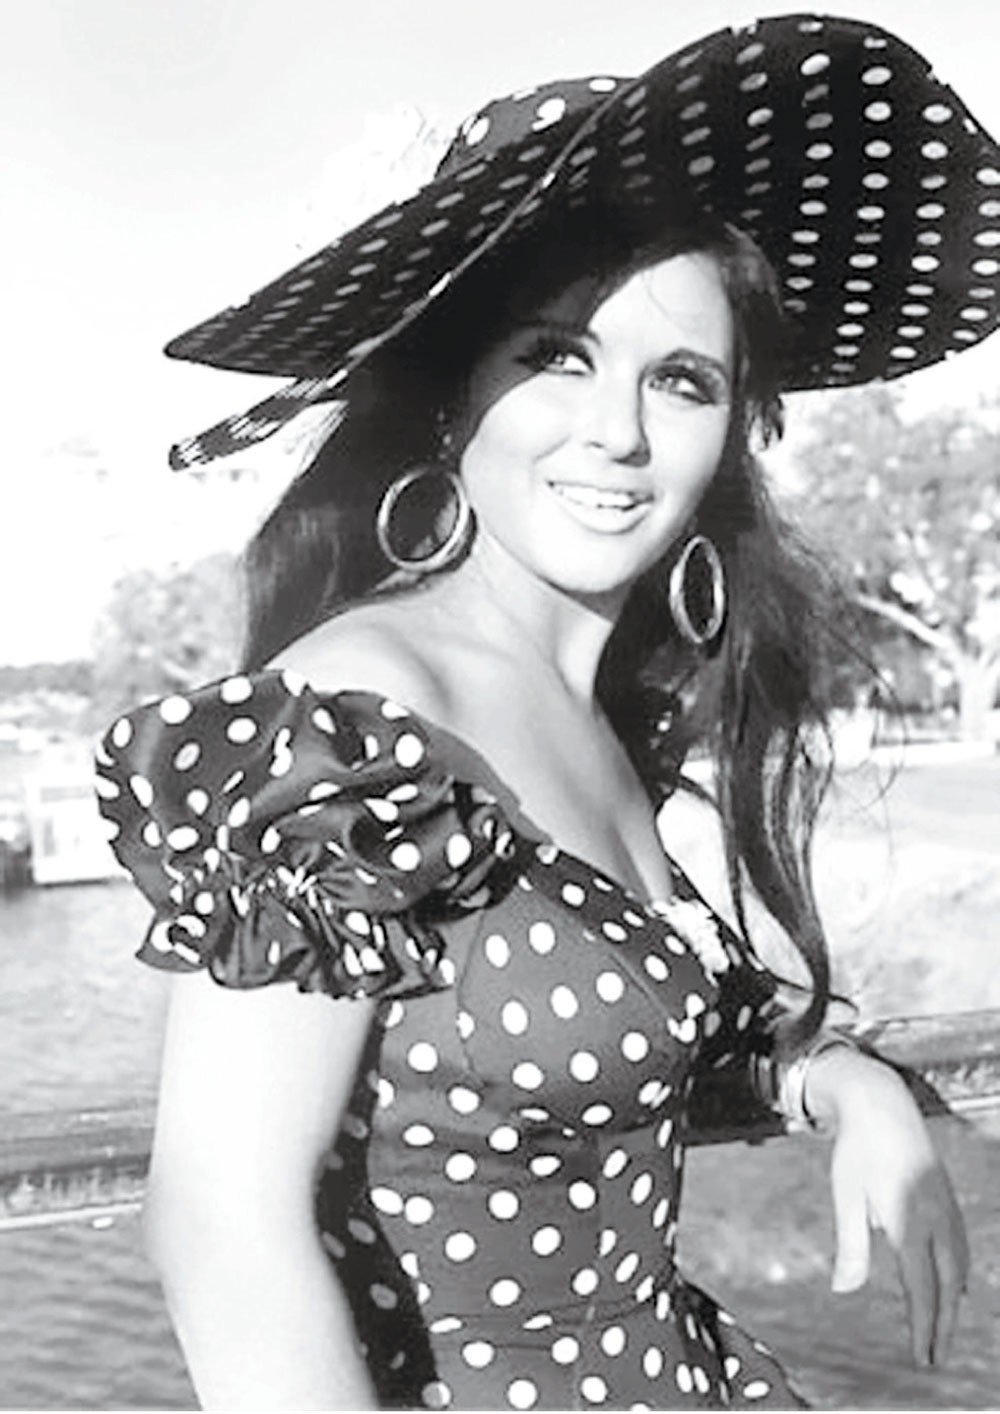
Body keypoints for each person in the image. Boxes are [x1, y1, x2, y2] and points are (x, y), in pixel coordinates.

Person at [95, 14, 997, 1410]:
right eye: (558, 355)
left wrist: (838, 1078)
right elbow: (220, 1226)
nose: (619, 431)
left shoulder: (597, 719)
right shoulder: (352, 718)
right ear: (456, 391)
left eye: (680, 380)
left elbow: (629, 1012)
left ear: (731, 429)